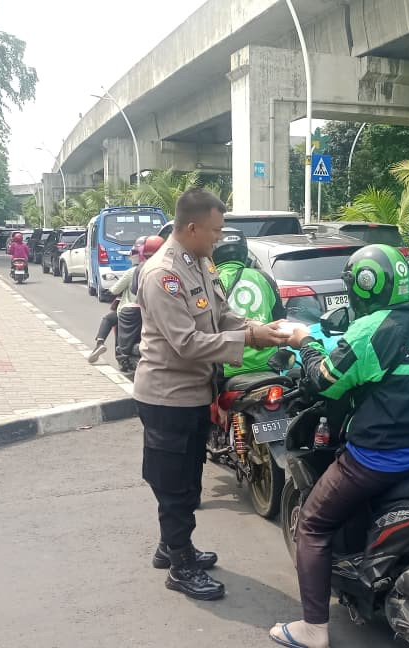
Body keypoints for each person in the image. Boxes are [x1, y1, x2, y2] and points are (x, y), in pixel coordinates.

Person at [270, 244, 409, 648]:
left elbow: (324, 379)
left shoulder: (371, 329)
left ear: (363, 287)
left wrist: (305, 340)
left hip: (376, 460)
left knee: (313, 525)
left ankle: (313, 629)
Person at [134, 188, 290, 601]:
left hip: (193, 393)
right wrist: (249, 338)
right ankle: (179, 566)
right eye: (215, 231)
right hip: (167, 396)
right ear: (191, 228)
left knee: (189, 477)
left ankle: (174, 546)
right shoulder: (162, 275)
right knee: (175, 486)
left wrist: (261, 329)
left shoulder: (200, 262)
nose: (219, 239)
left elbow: (221, 315)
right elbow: (187, 342)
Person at [213, 228, 287, 378]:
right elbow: (279, 316)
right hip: (268, 364)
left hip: (227, 369)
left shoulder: (211, 281)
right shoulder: (263, 277)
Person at [87, 235, 165, 365]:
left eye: (134, 252)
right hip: (156, 312)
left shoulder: (134, 271)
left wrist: (107, 291)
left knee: (108, 318)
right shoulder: (167, 270)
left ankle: (100, 343)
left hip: (131, 309)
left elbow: (115, 290)